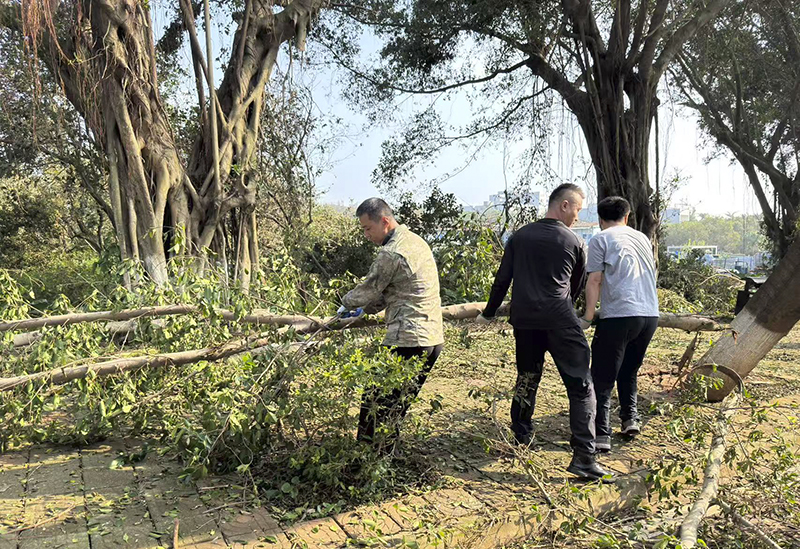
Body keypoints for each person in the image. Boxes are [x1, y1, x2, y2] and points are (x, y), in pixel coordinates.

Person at [478, 183, 614, 482]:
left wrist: (488, 312)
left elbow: (502, 279)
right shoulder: (574, 241)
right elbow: (577, 285)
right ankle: (584, 457)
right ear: (564, 205)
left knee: (527, 378)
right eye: (577, 209)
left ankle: (521, 437)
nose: (577, 216)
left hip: (525, 321)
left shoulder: (519, 236)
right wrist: (568, 309)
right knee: (581, 386)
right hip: (560, 319)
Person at [339, 198, 445, 452]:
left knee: (374, 405)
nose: (366, 235)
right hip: (432, 339)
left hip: (407, 338)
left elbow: (368, 290)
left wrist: (344, 304)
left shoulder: (391, 252)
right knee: (395, 407)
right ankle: (386, 458)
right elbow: (390, 292)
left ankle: (365, 461)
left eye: (368, 228)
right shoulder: (416, 242)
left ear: (385, 221)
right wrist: (364, 311)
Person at [580, 196, 659, 453]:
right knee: (629, 370)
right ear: (626, 217)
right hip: (649, 315)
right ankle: (630, 419)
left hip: (619, 315)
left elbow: (594, 280)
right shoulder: (642, 238)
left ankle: (601, 434)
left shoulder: (601, 239)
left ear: (600, 219)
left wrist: (587, 317)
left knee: (602, 377)